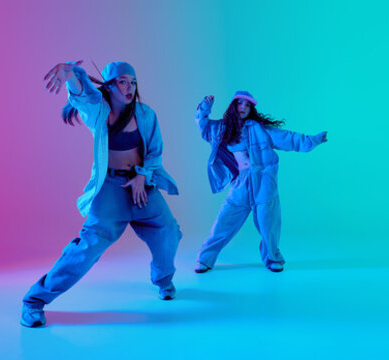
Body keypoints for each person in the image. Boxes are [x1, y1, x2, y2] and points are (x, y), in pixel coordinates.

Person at [20, 60, 182, 328]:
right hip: (110, 190)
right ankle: (34, 301)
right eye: (122, 81)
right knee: (87, 248)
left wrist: (142, 176)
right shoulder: (98, 111)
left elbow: (155, 151)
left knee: (168, 232)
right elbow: (82, 96)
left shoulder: (145, 114)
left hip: (142, 187)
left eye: (133, 81)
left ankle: (163, 280)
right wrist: (71, 75)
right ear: (109, 85)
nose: (129, 87)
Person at [194, 91, 327, 274]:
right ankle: (205, 259)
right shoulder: (222, 128)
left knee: (268, 222)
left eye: (247, 105)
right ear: (233, 106)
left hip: (264, 180)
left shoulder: (261, 129)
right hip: (241, 182)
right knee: (225, 221)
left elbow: (288, 138)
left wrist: (314, 140)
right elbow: (203, 124)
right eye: (240, 103)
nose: (243, 107)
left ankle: (273, 258)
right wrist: (205, 106)